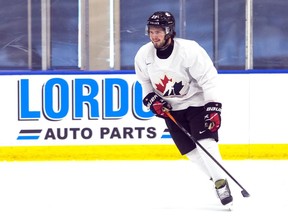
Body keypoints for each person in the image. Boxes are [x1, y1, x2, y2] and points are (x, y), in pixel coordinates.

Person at [134, 11, 233, 206]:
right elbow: (144, 83)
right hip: (172, 109)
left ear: (169, 31)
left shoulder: (189, 50)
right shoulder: (143, 55)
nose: (154, 35)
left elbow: (208, 78)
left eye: (159, 31)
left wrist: (213, 108)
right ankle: (216, 178)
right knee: (190, 151)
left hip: (197, 103)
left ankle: (221, 185)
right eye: (152, 31)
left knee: (206, 143)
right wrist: (151, 99)